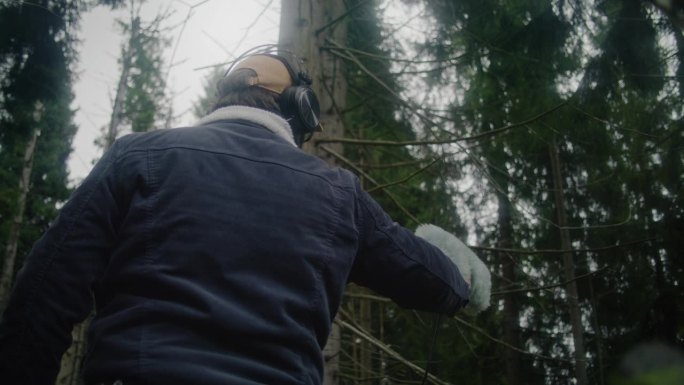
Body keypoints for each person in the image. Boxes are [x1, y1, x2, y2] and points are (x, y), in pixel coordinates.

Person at [0, 46, 473, 385]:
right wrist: (460, 269)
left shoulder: (137, 155)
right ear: (299, 109)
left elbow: (43, 294)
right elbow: (439, 283)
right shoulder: (338, 191)